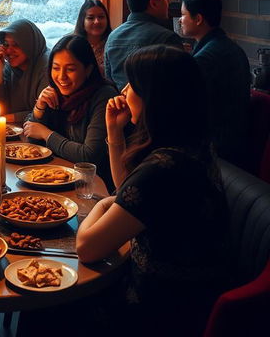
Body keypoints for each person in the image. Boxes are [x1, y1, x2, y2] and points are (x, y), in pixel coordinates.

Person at [76, 45, 229, 336]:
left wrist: (102, 204)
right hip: (195, 290)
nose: (123, 90)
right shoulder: (191, 143)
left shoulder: (163, 168)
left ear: (156, 97)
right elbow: (129, 193)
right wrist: (114, 132)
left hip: (162, 306)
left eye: (133, 84)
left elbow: (87, 248)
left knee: (52, 308)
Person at [23, 34, 118, 185]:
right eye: (56, 68)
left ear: (88, 70)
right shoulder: (55, 93)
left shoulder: (104, 96)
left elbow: (88, 156)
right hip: (55, 178)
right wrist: (39, 108)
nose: (61, 77)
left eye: (70, 69)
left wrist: (46, 134)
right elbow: (32, 139)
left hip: (93, 185)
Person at [179, 0, 251, 163]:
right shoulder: (228, 46)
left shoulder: (206, 58)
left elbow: (191, 108)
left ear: (198, 19)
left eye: (183, 14)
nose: (180, 20)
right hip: (235, 139)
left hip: (218, 148)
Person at [104, 0, 183, 89]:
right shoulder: (167, 38)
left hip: (122, 104)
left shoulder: (112, 37)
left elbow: (110, 82)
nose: (168, 2)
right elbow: (178, 84)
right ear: (153, 3)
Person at [0, 19, 49, 122]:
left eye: (16, 45)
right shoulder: (10, 67)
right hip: (13, 131)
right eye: (6, 44)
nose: (9, 51)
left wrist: (7, 118)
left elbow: (45, 113)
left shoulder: (48, 67)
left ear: (29, 45)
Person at [73, 0, 112, 76]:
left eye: (101, 17)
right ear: (82, 21)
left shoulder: (114, 44)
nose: (97, 21)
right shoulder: (72, 45)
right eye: (91, 18)